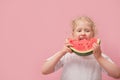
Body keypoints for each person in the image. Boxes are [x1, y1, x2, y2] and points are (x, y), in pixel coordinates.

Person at [41, 16, 120, 80]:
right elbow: (44, 70)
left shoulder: (99, 55)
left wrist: (99, 58)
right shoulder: (66, 54)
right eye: (79, 30)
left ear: (93, 34)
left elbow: (117, 74)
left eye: (87, 30)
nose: (83, 33)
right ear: (73, 34)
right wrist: (61, 52)